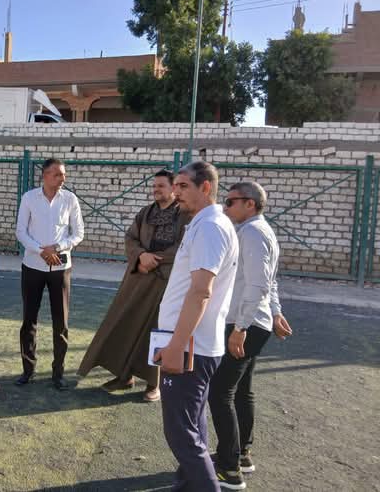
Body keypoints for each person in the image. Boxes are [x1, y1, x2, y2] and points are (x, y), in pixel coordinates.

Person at [154, 161, 239, 492]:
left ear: (206, 187)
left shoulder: (210, 227)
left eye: (183, 186)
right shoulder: (205, 224)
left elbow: (201, 290)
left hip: (191, 346)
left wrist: (176, 346)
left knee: (180, 432)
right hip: (196, 343)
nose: (176, 192)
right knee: (193, 424)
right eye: (175, 185)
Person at [77, 169, 191, 401]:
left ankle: (153, 383)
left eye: (161, 186)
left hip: (165, 282)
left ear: (173, 188)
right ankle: (124, 375)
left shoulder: (185, 216)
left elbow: (183, 247)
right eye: (154, 186)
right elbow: (130, 238)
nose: (156, 189)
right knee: (125, 324)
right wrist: (140, 256)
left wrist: (153, 260)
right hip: (138, 277)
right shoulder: (145, 213)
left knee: (156, 331)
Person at [209, 182, 293, 490]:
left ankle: (229, 468)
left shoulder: (253, 233)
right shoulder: (255, 230)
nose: (225, 206)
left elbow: (259, 284)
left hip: (245, 325)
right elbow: (269, 281)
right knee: (241, 390)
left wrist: (240, 329)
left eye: (231, 201)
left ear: (250, 203)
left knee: (220, 392)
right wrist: (276, 312)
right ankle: (241, 453)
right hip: (253, 322)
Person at [15, 158, 85, 390]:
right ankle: (28, 370)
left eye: (63, 174)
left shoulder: (70, 199)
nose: (62, 178)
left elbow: (78, 233)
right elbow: (21, 232)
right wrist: (41, 251)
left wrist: (57, 248)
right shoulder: (29, 198)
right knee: (29, 320)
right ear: (44, 175)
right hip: (32, 266)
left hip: (60, 269)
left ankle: (58, 373)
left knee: (60, 322)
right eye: (57, 174)